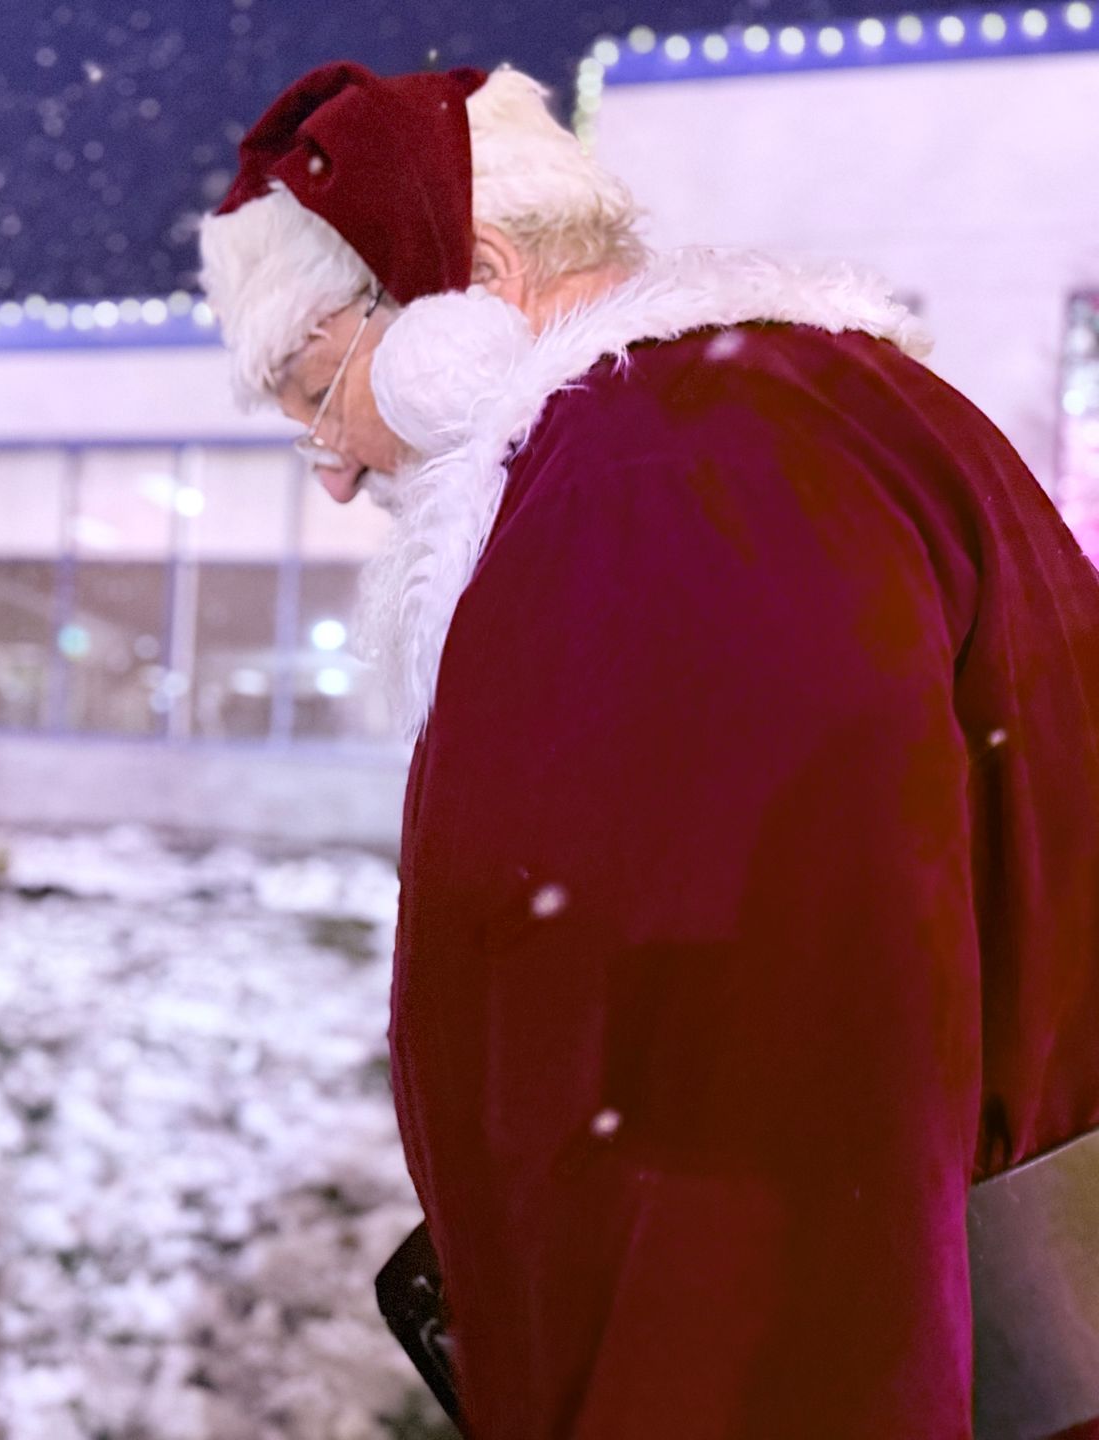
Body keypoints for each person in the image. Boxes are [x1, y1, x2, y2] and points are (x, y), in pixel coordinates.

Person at [200, 60, 1099, 1439]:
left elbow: (764, 1095)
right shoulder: (767, 428)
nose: (330, 466)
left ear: (476, 279)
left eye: (320, 388)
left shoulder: (670, 477)